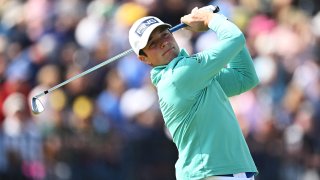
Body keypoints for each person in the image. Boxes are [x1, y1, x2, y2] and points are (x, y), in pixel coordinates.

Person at [128, 6, 259, 180]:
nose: (163, 42)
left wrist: (216, 21)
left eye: (165, 34)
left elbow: (245, 77)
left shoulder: (193, 74)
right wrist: (210, 19)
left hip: (227, 171)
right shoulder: (178, 76)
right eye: (152, 44)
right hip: (210, 174)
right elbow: (234, 38)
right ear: (143, 58)